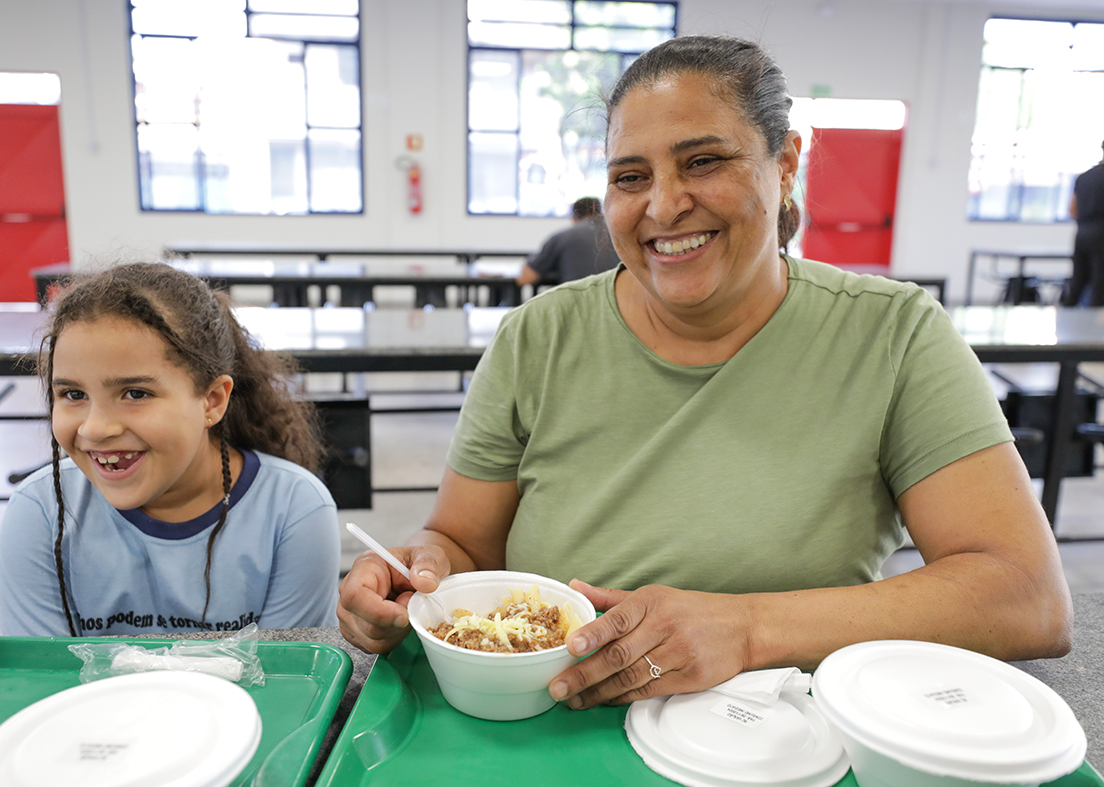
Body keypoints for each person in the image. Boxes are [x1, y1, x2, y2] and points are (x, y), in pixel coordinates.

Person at [338, 34, 1073, 710]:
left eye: (703, 160)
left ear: (784, 163)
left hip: (793, 732)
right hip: (555, 715)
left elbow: (1025, 596)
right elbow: (463, 546)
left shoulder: (892, 334)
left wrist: (747, 627)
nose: (663, 204)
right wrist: (419, 576)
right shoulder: (538, 337)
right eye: (631, 176)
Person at [0, 262, 341, 636]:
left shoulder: (293, 509)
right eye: (73, 394)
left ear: (211, 401)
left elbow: (288, 683)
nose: (95, 428)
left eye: (136, 393)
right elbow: (43, 682)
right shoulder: (40, 512)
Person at [516, 197, 621, 286]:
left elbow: (525, 278)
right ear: (601, 214)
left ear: (574, 219)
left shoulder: (562, 237)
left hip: (576, 304)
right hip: (620, 303)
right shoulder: (620, 235)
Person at [1062, 140, 1104, 306]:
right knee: (1100, 284)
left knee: (1078, 281)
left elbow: (1072, 211)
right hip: (1101, 235)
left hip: (1082, 233)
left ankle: (1067, 324)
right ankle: (1095, 329)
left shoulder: (1084, 177)